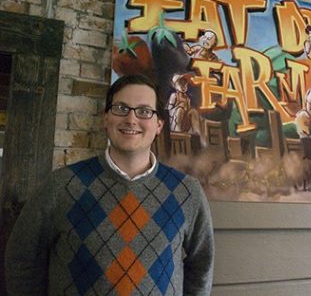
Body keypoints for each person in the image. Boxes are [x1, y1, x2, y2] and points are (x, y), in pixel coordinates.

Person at [5, 74, 215, 295]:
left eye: (144, 111)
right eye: (121, 109)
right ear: (105, 119)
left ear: (159, 124)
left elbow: (202, 266)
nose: (131, 120)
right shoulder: (61, 186)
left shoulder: (187, 192)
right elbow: (22, 260)